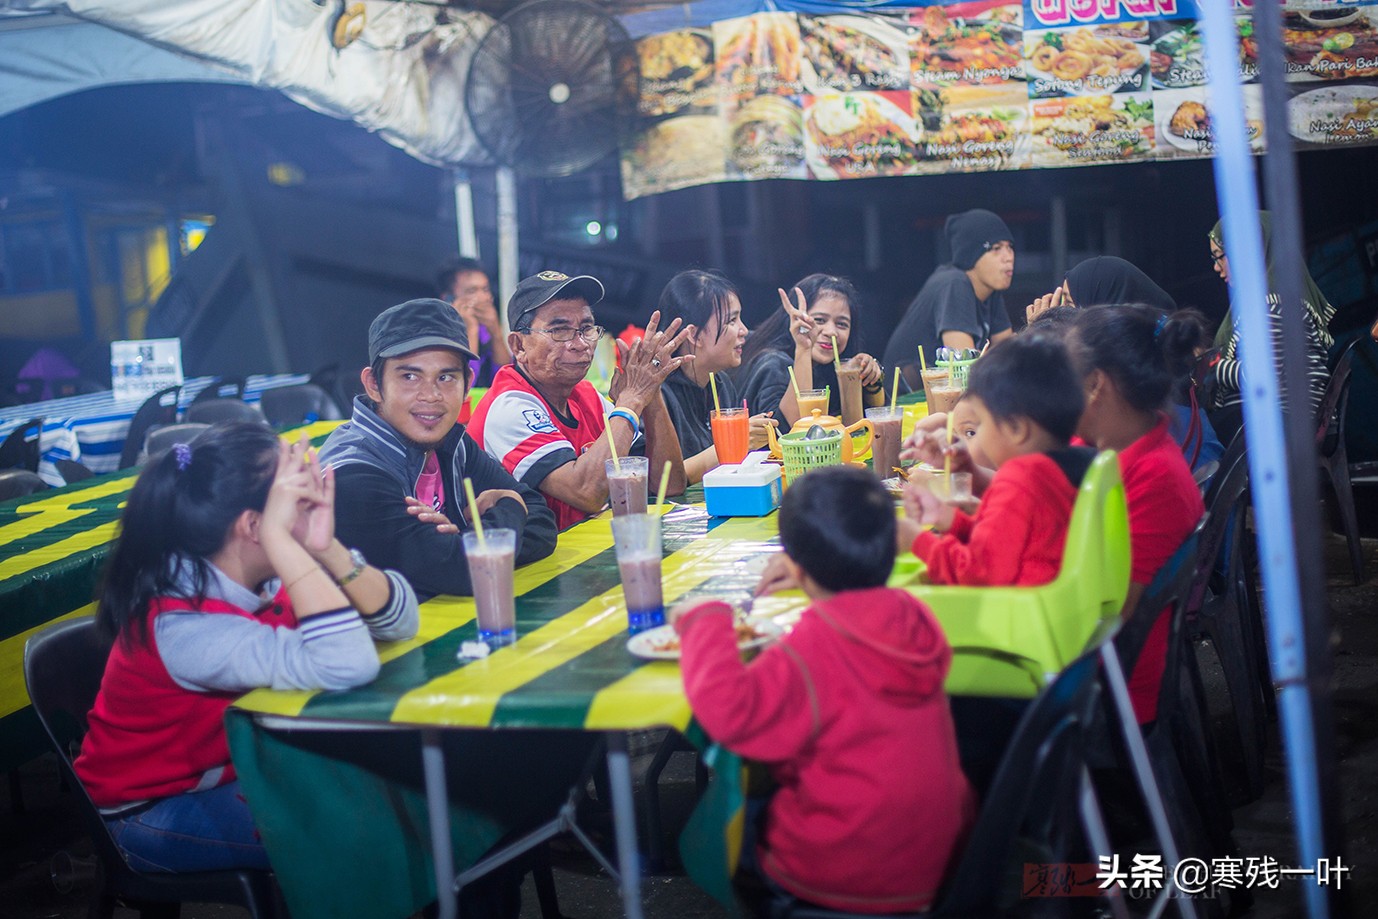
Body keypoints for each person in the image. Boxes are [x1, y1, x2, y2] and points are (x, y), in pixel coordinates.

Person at [74, 422, 419, 872]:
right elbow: (347, 664)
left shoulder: (263, 574)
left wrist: (327, 547)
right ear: (254, 525)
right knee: (371, 836)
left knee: (409, 802)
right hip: (150, 809)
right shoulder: (183, 625)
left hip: (237, 770)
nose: (315, 486)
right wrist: (287, 546)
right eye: (295, 487)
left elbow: (400, 622)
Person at [671, 466, 975, 914]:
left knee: (729, 824)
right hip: (940, 861)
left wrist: (705, 619)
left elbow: (731, 712)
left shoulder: (814, 644)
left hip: (845, 874)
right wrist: (815, 571)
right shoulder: (916, 615)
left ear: (794, 561)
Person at [319, 298, 557, 599]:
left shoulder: (451, 443)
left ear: (467, 383)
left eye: (445, 377)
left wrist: (463, 543)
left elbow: (543, 525)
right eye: (409, 376)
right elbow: (468, 573)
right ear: (374, 385)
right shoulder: (351, 475)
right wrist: (510, 505)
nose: (431, 396)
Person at [1064, 305, 1206, 724]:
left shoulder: (1155, 480)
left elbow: (1107, 617)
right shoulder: (1104, 446)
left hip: (1106, 690)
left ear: (1094, 385)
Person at [467, 271, 688, 530]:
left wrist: (652, 391)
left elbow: (668, 484)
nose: (580, 344)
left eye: (586, 329)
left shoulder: (586, 395)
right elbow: (587, 493)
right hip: (527, 567)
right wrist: (632, 400)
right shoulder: (509, 405)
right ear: (519, 346)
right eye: (560, 330)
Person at [897, 334, 1091, 587]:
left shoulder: (1018, 481)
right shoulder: (1059, 468)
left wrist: (917, 541)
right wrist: (950, 520)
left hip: (1020, 618)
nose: (976, 436)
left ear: (1016, 428)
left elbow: (977, 572)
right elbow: (1005, 541)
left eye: (979, 424)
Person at [1027, 258, 1224, 472]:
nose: (1063, 316)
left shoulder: (1134, 419)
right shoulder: (1152, 398)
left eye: (1070, 305)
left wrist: (1040, 336)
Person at [1207, 213, 1333, 442]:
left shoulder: (1270, 305)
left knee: (1198, 431)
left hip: (1285, 422)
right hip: (1284, 418)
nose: (1216, 267)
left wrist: (1214, 366)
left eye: (1219, 256)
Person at [655, 270, 777, 482]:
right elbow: (665, 480)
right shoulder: (658, 394)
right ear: (694, 335)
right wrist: (735, 442)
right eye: (731, 321)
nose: (744, 330)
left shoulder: (720, 383)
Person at [883, 209, 1016, 389]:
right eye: (996, 248)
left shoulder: (991, 289)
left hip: (944, 397)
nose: (1008, 257)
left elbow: (1009, 354)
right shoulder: (954, 283)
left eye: (1010, 247)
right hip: (907, 402)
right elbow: (966, 370)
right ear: (971, 255)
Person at [738, 274, 885, 426]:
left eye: (841, 324)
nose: (831, 331)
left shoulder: (828, 367)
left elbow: (876, 417)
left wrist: (870, 378)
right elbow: (792, 430)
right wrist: (804, 348)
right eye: (820, 320)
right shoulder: (774, 363)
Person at [437, 258, 511, 388]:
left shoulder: (485, 329)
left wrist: (496, 332)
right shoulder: (438, 333)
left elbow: (505, 376)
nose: (484, 298)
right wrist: (470, 329)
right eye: (472, 291)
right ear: (449, 299)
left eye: (485, 290)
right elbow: (463, 383)